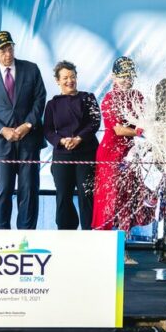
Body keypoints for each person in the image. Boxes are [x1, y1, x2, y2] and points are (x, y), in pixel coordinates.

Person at [0, 30, 46, 230]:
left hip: (29, 141)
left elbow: (40, 99)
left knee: (29, 190)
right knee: (3, 190)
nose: (8, 54)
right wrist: (3, 130)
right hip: (2, 143)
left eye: (10, 48)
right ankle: (1, 236)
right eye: (3, 50)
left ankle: (26, 236)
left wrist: (28, 124)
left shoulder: (31, 69)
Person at [91, 56, 154, 236]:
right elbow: (118, 130)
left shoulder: (137, 96)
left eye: (130, 76)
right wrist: (140, 132)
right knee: (111, 197)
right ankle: (104, 240)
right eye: (123, 76)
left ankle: (124, 240)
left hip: (131, 153)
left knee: (128, 195)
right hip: (111, 154)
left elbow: (146, 120)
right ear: (113, 76)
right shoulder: (109, 99)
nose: (127, 80)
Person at [43, 61, 101, 230]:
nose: (70, 81)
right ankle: (66, 232)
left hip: (86, 153)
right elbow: (48, 130)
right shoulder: (52, 104)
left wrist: (79, 138)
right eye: (65, 78)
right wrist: (61, 141)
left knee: (86, 195)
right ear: (57, 81)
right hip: (62, 154)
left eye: (73, 77)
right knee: (63, 195)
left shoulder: (88, 98)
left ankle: (89, 231)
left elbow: (95, 122)